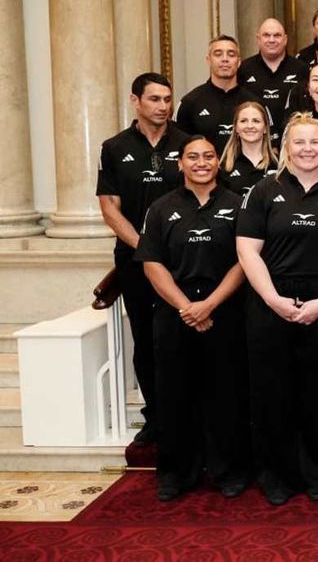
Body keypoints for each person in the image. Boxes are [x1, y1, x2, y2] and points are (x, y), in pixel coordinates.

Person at [236, 112, 318, 506]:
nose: (307, 149)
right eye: (299, 142)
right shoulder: (264, 191)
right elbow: (247, 251)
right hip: (270, 302)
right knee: (273, 394)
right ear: (286, 147)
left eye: (315, 142)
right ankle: (277, 475)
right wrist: (273, 300)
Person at [136, 135, 249, 501]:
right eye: (193, 157)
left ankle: (228, 471)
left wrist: (210, 305)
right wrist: (187, 306)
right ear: (180, 164)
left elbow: (245, 261)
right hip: (175, 314)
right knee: (174, 396)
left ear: (219, 162)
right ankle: (175, 473)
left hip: (225, 311)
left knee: (226, 394)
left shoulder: (237, 205)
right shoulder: (160, 207)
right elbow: (152, 263)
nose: (201, 162)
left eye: (209, 156)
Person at [97, 72, 190, 446]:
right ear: (136, 101)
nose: (163, 106)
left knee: (181, 337)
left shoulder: (186, 143)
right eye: (154, 99)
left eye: (167, 99)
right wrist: (146, 248)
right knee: (146, 339)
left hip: (184, 259)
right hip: (135, 260)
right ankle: (156, 417)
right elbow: (109, 208)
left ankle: (188, 412)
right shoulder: (114, 147)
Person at [175, 35, 258, 154]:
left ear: (239, 62)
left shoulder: (253, 102)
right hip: (204, 170)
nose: (225, 59)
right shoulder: (190, 102)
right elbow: (178, 146)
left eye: (231, 54)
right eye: (218, 54)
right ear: (208, 60)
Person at [238, 19, 309, 142]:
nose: (271, 40)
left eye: (277, 35)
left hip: (293, 141)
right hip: (254, 142)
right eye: (266, 35)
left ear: (285, 39)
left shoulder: (301, 69)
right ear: (258, 39)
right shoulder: (244, 69)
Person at [218, 101, 278, 197]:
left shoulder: (280, 164)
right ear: (236, 128)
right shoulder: (223, 167)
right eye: (243, 121)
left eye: (256, 121)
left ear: (265, 128)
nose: (249, 126)